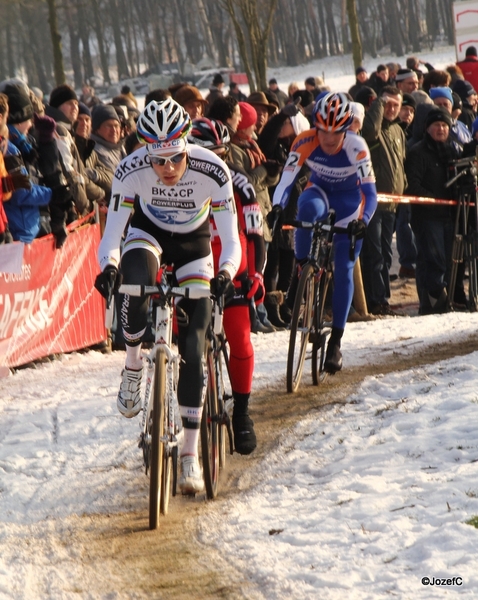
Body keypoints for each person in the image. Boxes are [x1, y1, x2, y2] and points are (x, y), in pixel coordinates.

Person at [94, 99, 241, 493]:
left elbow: (230, 239)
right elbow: (112, 235)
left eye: (175, 159)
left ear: (186, 145)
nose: (167, 169)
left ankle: (190, 457)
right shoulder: (130, 169)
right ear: (145, 151)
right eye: (158, 161)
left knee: (194, 348)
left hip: (195, 247)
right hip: (148, 234)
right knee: (134, 279)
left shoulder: (212, 168)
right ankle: (132, 364)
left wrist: (226, 273)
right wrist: (108, 266)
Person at [271, 92, 377, 373]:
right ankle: (303, 270)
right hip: (318, 191)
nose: (329, 139)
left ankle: (336, 343)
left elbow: (370, 192)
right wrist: (276, 208)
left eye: (336, 132)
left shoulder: (357, 146)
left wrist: (363, 219)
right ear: (315, 125)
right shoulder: (305, 140)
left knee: (343, 268)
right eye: (323, 131)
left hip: (349, 203)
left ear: (346, 128)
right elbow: (286, 180)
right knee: (305, 212)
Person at [188, 117, 266, 454]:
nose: (214, 162)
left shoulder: (240, 183)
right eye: (207, 155)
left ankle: (242, 413)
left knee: (240, 338)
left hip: (233, 272)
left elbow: (256, 233)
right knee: (187, 346)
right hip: (192, 270)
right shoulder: (177, 182)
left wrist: (257, 273)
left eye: (220, 154)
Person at [405, 108, 460, 314]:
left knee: (446, 261)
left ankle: (441, 302)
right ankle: (433, 305)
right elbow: (412, 185)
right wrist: (435, 200)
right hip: (427, 217)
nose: (441, 129)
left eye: (444, 125)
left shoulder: (452, 151)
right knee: (432, 261)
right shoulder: (418, 152)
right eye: (436, 125)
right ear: (427, 128)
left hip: (449, 216)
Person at [360, 86, 407, 315]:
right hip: (373, 202)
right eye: (387, 104)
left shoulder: (398, 130)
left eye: (395, 105)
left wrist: (403, 187)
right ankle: (377, 300)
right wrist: (379, 103)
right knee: (376, 252)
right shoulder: (375, 128)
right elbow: (369, 132)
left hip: (392, 203)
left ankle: (382, 297)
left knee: (387, 253)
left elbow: (401, 163)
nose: (391, 109)